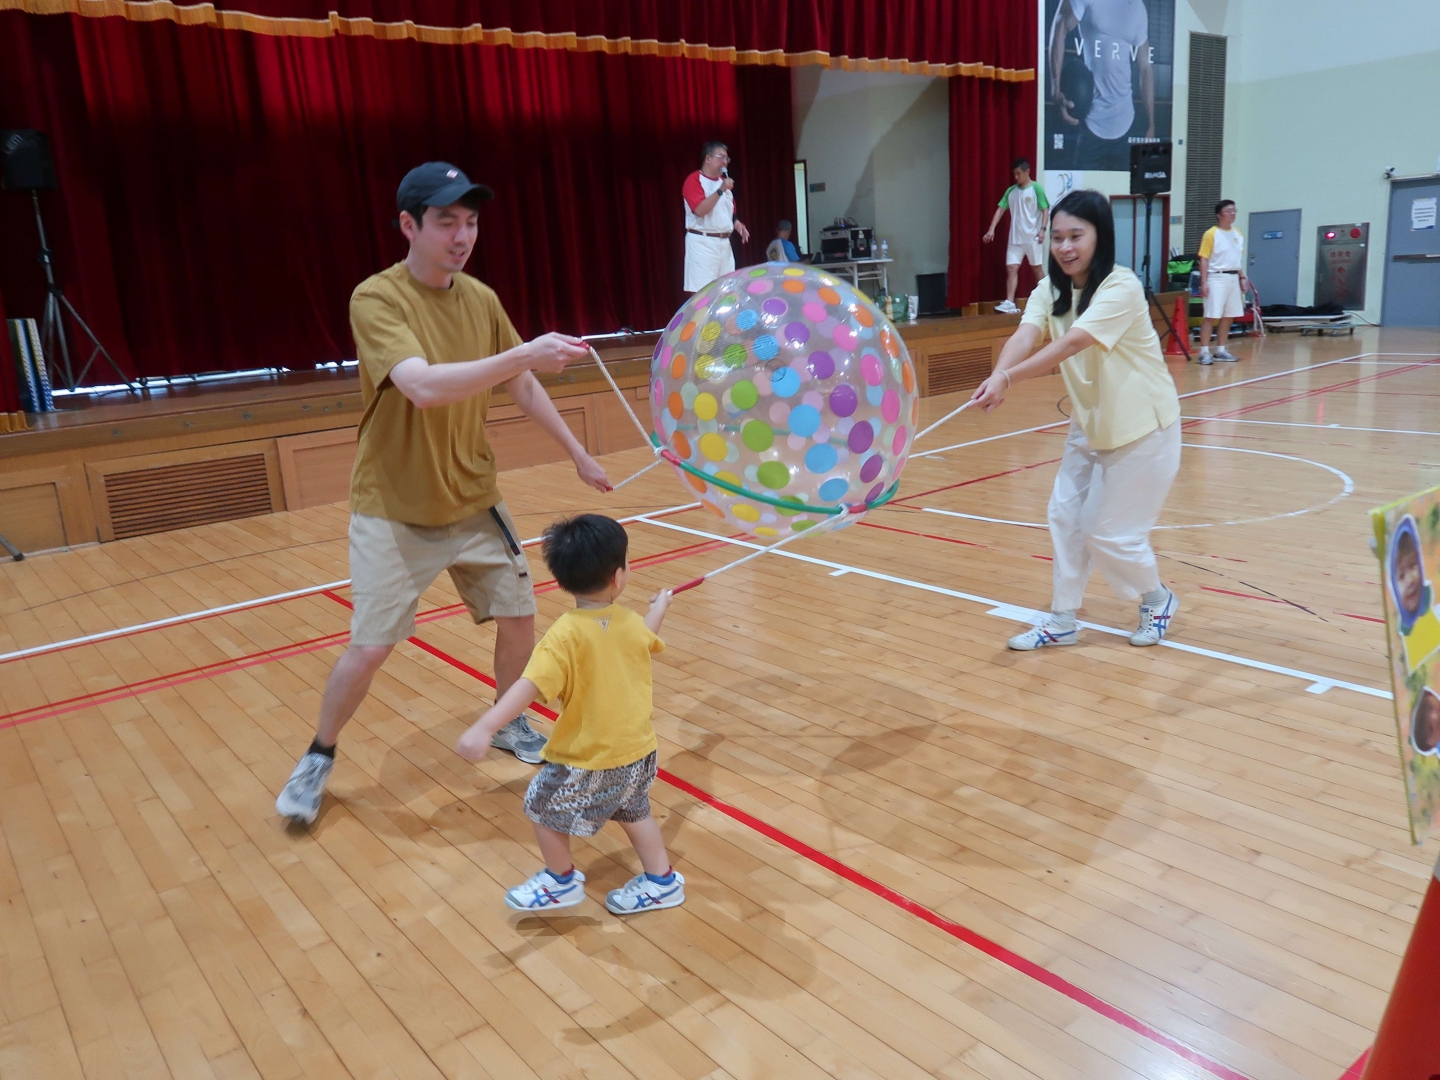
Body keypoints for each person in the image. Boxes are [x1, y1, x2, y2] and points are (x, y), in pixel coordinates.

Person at [275, 162, 612, 825]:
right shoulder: (376, 299)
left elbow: (521, 384)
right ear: (409, 225)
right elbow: (424, 387)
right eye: (447, 222)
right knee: (370, 646)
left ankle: (510, 724)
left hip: (473, 497)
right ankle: (318, 754)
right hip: (395, 506)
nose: (463, 237)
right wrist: (523, 354)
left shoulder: (480, 299)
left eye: (472, 222)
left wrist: (577, 453)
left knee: (520, 616)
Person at [970, 189, 1182, 651]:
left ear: (1099, 237)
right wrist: (997, 374)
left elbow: (1070, 344)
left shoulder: (1120, 287)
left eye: (1076, 236)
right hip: (1090, 422)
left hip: (1143, 425)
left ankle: (1158, 597)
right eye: (1057, 237)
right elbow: (1027, 334)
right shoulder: (1049, 289)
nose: (1065, 247)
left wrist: (1009, 379)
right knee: (1064, 516)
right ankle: (1063, 618)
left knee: (1108, 532)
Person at [456, 514, 683, 914]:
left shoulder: (565, 633)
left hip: (593, 756)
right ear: (619, 576)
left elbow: (526, 687)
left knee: (542, 805)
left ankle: (561, 881)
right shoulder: (628, 620)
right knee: (634, 808)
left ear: (561, 579)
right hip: (639, 749)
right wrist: (660, 607)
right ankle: (662, 881)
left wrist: (486, 725)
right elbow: (647, 640)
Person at [1048, 0, 1157, 171]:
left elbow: (1145, 69)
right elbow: (1060, 28)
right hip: (1090, 123)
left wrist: (1151, 123)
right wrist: (1056, 89)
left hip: (1126, 124)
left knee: (1121, 195)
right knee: (1083, 196)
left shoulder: (1137, 7)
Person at [682, 141, 750, 293]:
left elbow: (730, 211)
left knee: (727, 290)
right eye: (721, 157)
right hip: (703, 243)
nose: (725, 163)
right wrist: (721, 190)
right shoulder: (694, 180)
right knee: (703, 293)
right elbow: (700, 210)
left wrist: (737, 224)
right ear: (708, 159)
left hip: (724, 244)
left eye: (727, 159)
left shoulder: (723, 183)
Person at [984, 159, 1050, 314]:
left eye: (1019, 173)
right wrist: (991, 229)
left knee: (1036, 269)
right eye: (1014, 174)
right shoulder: (1011, 191)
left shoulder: (1037, 189)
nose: (1016, 177)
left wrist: (1042, 229)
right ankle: (1009, 302)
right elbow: (1000, 209)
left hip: (1032, 237)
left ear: (1027, 172)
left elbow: (1045, 210)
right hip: (1015, 238)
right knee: (1012, 268)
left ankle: (1048, 300)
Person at [1197, 199, 1247, 365]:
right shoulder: (1211, 234)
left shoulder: (1238, 233)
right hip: (1216, 277)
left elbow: (1236, 259)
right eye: (1228, 211)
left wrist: (1242, 277)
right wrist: (1204, 283)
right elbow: (1204, 259)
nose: (1232, 214)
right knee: (1211, 315)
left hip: (1233, 277)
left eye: (1234, 210)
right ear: (1219, 215)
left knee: (1228, 316)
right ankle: (1204, 351)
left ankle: (1221, 349)